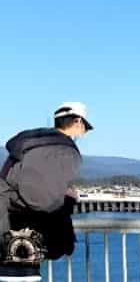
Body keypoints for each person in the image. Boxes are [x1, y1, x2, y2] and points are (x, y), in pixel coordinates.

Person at [0, 103, 92, 267]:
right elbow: (42, 199)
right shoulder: (65, 151)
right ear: (78, 121)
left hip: (5, 224)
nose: (85, 132)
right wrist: (68, 198)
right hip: (29, 235)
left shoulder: (28, 142)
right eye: (86, 127)